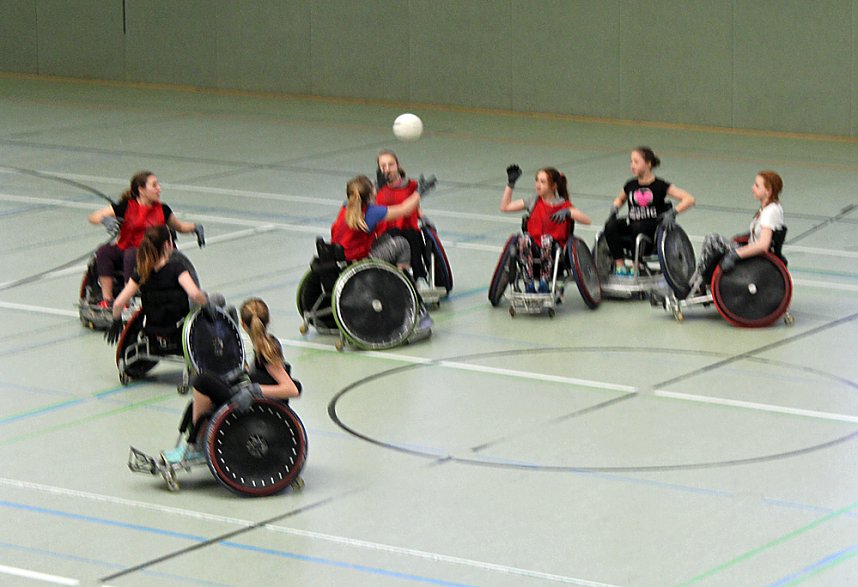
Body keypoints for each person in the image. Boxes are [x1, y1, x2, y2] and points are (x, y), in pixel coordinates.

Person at [162, 297, 302, 463]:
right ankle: (196, 440)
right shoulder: (264, 344)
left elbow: (291, 389)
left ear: (242, 325)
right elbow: (265, 376)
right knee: (208, 383)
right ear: (268, 320)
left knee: (202, 381)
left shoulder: (267, 349)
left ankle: (199, 445)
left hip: (255, 405)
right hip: (252, 399)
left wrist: (254, 389)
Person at [88, 171, 205, 309]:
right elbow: (93, 216)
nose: (159, 188)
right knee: (104, 251)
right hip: (127, 247)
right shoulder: (126, 206)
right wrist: (104, 219)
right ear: (141, 190)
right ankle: (107, 299)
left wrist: (195, 227)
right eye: (154, 185)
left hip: (153, 253)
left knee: (132, 254)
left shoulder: (163, 209)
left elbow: (179, 226)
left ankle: (126, 299)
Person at [330, 174, 434, 328]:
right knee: (402, 244)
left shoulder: (347, 206)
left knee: (387, 238)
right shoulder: (371, 212)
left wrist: (375, 186)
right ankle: (403, 282)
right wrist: (419, 192)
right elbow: (404, 210)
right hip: (361, 260)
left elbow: (362, 195)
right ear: (371, 195)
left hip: (345, 255)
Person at [685, 171, 785, 296]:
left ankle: (697, 283)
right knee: (714, 242)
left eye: (757, 185)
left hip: (757, 257)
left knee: (712, 240)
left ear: (768, 191)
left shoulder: (770, 212)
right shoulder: (769, 208)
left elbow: (763, 245)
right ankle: (701, 281)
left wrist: (736, 254)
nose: (752, 188)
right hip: (752, 250)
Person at [104, 224, 208, 345]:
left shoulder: (141, 273)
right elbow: (195, 294)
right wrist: (207, 306)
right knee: (213, 299)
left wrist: (116, 322)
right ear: (166, 246)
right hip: (179, 331)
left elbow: (118, 304)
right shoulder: (177, 268)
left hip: (153, 332)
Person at [603, 147, 695, 276]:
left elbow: (689, 199)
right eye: (631, 162)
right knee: (610, 226)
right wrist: (615, 208)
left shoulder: (660, 185)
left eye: (636, 162)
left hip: (652, 230)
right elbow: (620, 199)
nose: (632, 166)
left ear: (648, 164)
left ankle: (637, 266)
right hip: (634, 224)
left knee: (637, 226)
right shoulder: (630, 185)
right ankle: (620, 266)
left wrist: (673, 212)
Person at [501, 164, 592, 292]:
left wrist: (568, 212)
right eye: (537, 180)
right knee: (524, 240)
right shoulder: (533, 200)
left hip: (555, 251)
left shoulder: (564, 204)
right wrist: (510, 184)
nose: (538, 184)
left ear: (553, 186)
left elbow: (587, 220)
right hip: (534, 249)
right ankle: (529, 283)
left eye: (542, 182)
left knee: (546, 239)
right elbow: (505, 207)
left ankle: (544, 281)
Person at [374, 150, 436, 285]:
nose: (387, 169)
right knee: (398, 235)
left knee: (411, 235)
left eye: (390, 164)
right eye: (383, 166)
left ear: (397, 165)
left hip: (409, 229)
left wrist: (423, 218)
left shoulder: (411, 185)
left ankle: (420, 278)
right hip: (386, 233)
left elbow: (415, 206)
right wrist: (378, 188)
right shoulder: (376, 189)